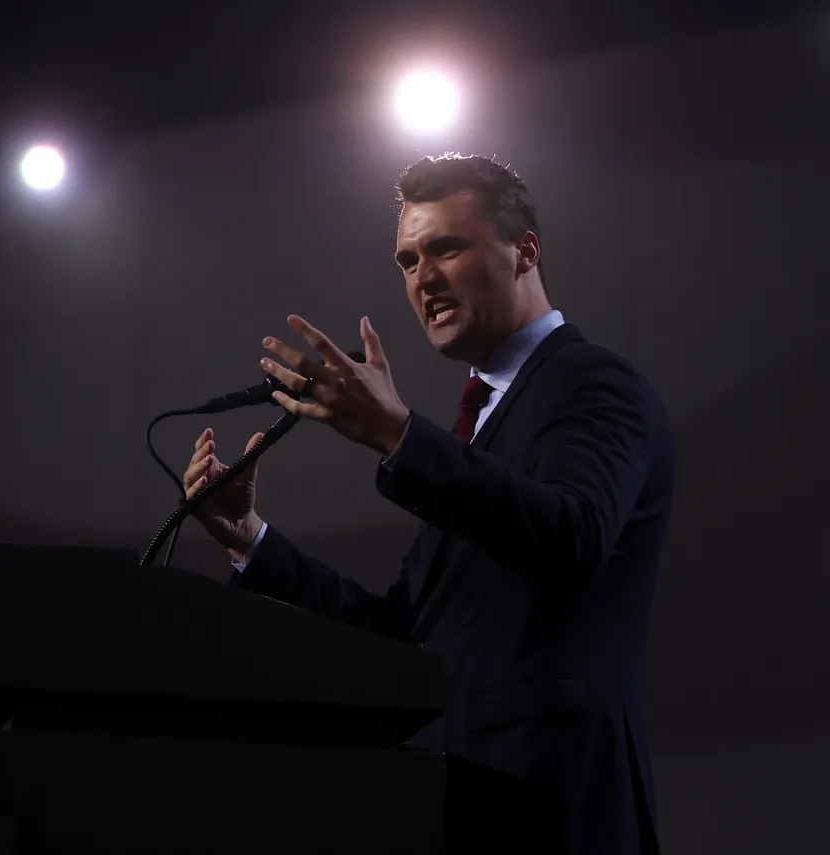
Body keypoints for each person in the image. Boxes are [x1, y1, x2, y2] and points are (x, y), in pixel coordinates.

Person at [181, 153, 672, 855]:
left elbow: (576, 533)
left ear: (525, 251)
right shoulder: (478, 428)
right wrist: (248, 538)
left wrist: (397, 434)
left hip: (554, 808)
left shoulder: (593, 382)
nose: (423, 278)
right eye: (408, 260)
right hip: (456, 806)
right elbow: (403, 632)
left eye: (445, 248)